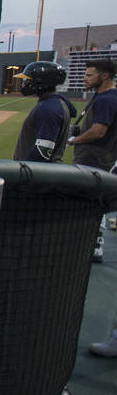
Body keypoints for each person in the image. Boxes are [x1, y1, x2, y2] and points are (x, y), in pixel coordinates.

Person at [71, 57, 117, 265]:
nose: (85, 78)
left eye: (90, 75)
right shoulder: (102, 96)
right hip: (96, 157)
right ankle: (92, 243)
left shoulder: (107, 98)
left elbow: (98, 132)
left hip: (96, 159)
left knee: (92, 202)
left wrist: (74, 140)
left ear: (105, 75)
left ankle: (92, 245)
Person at [12, 61, 76, 162]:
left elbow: (42, 151)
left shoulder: (49, 108)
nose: (25, 83)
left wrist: (22, 169)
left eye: (28, 80)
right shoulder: (53, 103)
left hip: (34, 172)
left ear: (40, 81)